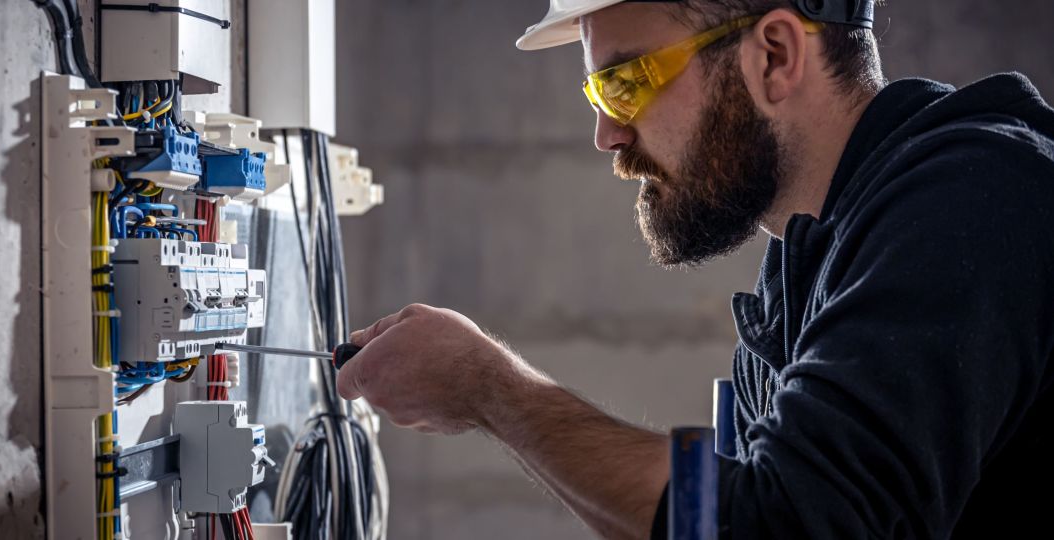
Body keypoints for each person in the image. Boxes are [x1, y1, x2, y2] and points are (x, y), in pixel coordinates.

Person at [336, 1, 1054, 538]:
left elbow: (782, 524)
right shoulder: (809, 264)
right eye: (599, 94)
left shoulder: (976, 200)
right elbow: (717, 519)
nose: (607, 135)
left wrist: (492, 388)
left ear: (773, 54)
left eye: (628, 82)